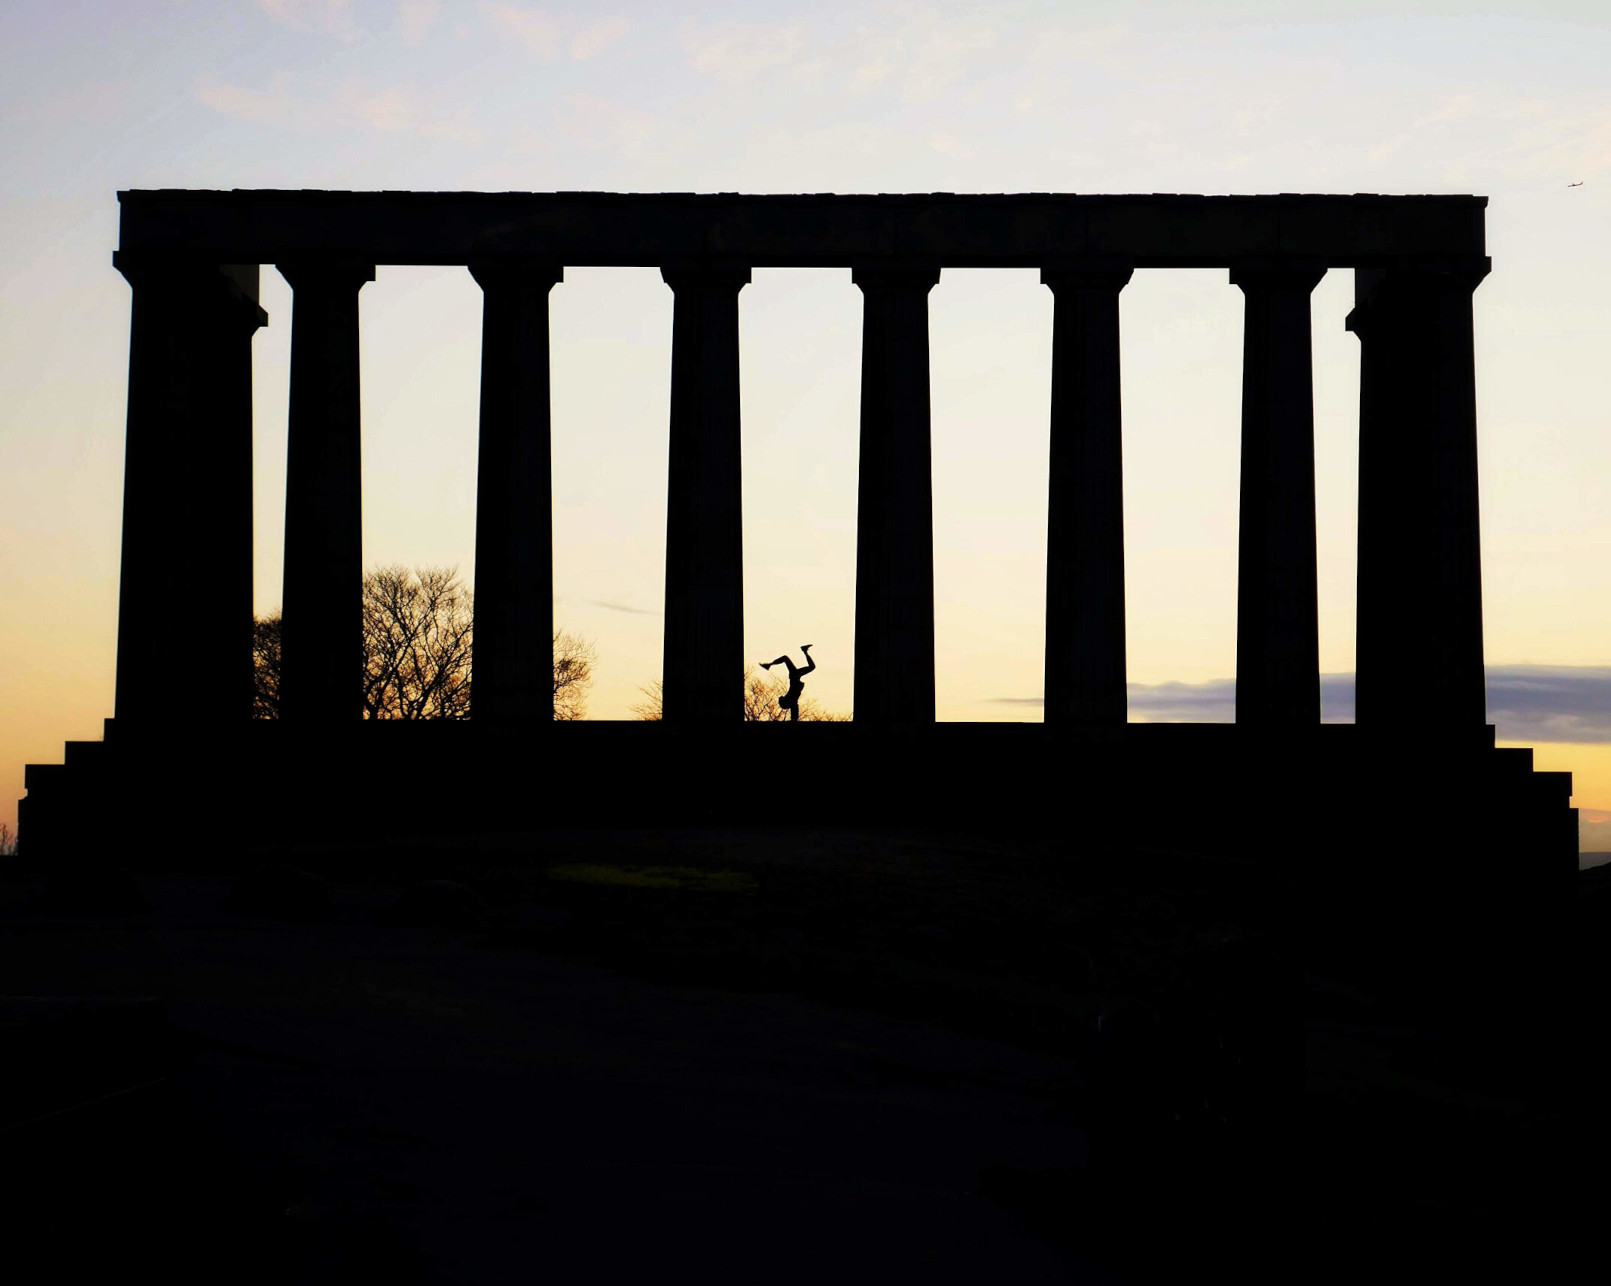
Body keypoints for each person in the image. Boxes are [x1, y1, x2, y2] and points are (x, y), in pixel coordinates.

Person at [760, 645, 815, 722]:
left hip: (795, 676)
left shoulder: (792, 698)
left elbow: (794, 709)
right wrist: (794, 719)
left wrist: (794, 718)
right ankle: (768, 665)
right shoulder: (793, 700)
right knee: (786, 659)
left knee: (810, 666)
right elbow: (794, 709)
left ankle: (768, 665)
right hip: (795, 676)